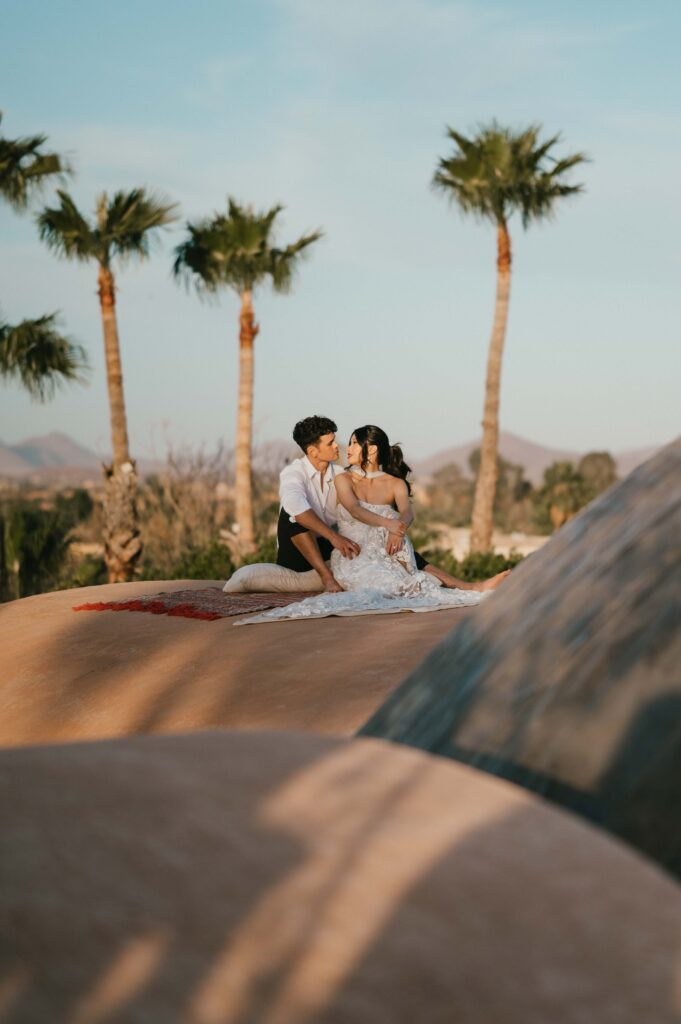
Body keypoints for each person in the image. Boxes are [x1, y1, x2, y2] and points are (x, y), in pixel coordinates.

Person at [240, 421, 508, 624]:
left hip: (342, 542)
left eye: (343, 441)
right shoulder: (294, 474)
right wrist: (338, 538)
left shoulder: (339, 473)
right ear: (313, 450)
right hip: (297, 550)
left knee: (398, 546)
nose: (340, 446)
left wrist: (395, 529)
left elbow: (401, 510)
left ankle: (470, 586)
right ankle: (327, 577)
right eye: (332, 442)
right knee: (294, 517)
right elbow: (310, 511)